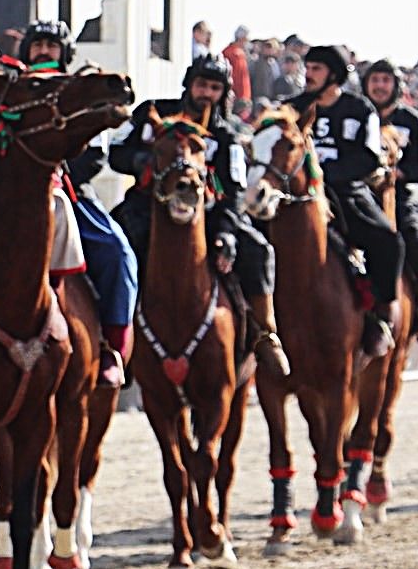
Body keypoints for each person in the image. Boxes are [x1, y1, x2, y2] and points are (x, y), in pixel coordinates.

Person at [110, 52, 288, 377]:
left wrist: (226, 233)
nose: (207, 93)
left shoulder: (227, 135)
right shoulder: (151, 111)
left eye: (215, 88)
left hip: (207, 213)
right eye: (202, 85)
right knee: (115, 249)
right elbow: (116, 152)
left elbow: (233, 190)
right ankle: (109, 336)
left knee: (260, 250)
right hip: (147, 207)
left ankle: (265, 333)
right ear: (189, 84)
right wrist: (144, 162)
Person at [22, 19, 138, 387]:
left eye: (52, 46)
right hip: (15, 194)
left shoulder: (86, 93)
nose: (44, 51)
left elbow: (96, 158)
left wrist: (57, 167)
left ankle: (111, 351)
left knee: (118, 253)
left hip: (69, 194)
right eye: (37, 44)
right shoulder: (13, 89)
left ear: (65, 54)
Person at [289, 45, 402, 358]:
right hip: (295, 195)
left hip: (344, 192)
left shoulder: (360, 109)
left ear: (334, 75)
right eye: (308, 68)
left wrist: (327, 175)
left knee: (387, 240)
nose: (308, 74)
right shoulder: (291, 108)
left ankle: (380, 316)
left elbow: (367, 158)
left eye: (317, 69)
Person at [362, 59, 418, 354]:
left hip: (397, 199)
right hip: (355, 195)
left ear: (395, 86)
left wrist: (398, 174)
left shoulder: (414, 121)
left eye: (386, 80)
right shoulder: (355, 115)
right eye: (375, 80)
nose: (380, 86)